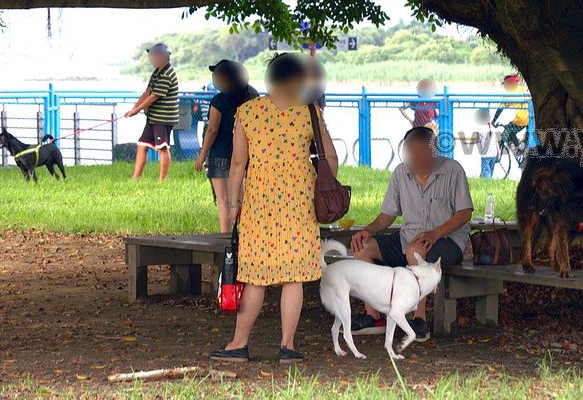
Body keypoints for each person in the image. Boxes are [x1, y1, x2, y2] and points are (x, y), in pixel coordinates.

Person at [209, 53, 338, 363]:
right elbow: (331, 158)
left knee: (255, 275)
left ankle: (239, 344)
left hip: (258, 201)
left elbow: (238, 163)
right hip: (299, 200)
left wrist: (234, 203)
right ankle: (288, 346)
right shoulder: (310, 111)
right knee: (292, 277)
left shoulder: (248, 111)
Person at [349, 127, 473, 341]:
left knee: (415, 252)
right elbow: (387, 215)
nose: (418, 158)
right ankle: (373, 316)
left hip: (447, 239)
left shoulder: (453, 170)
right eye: (413, 152)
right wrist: (367, 230)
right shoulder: (400, 173)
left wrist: (434, 234)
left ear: (434, 151)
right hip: (409, 236)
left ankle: (419, 319)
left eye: (423, 152)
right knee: (362, 249)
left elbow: (465, 213)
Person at [193, 60, 259, 232]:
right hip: (243, 155)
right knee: (240, 199)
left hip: (220, 154)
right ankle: (246, 235)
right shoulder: (251, 97)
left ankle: (225, 238)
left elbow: (212, 129)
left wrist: (202, 154)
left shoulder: (219, 100)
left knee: (223, 201)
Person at [125, 42, 179, 181]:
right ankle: (135, 178)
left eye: (154, 55)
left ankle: (163, 180)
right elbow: (147, 92)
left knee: (162, 147)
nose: (152, 58)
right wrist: (134, 108)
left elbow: (154, 96)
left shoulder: (167, 73)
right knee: (142, 145)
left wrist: (137, 110)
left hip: (163, 117)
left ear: (162, 56)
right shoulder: (157, 71)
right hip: (153, 117)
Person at [492, 73, 528, 153]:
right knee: (511, 129)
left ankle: (519, 147)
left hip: (521, 120)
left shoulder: (508, 95)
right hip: (530, 118)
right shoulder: (521, 88)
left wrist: (493, 121)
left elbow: (500, 109)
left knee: (508, 131)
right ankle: (521, 147)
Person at [473, 108, 498, 179]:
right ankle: (489, 182)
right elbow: (496, 140)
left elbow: (478, 140)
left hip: (485, 154)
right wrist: (498, 151)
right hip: (493, 153)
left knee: (486, 172)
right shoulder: (492, 127)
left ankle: (487, 183)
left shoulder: (480, 127)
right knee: (490, 170)